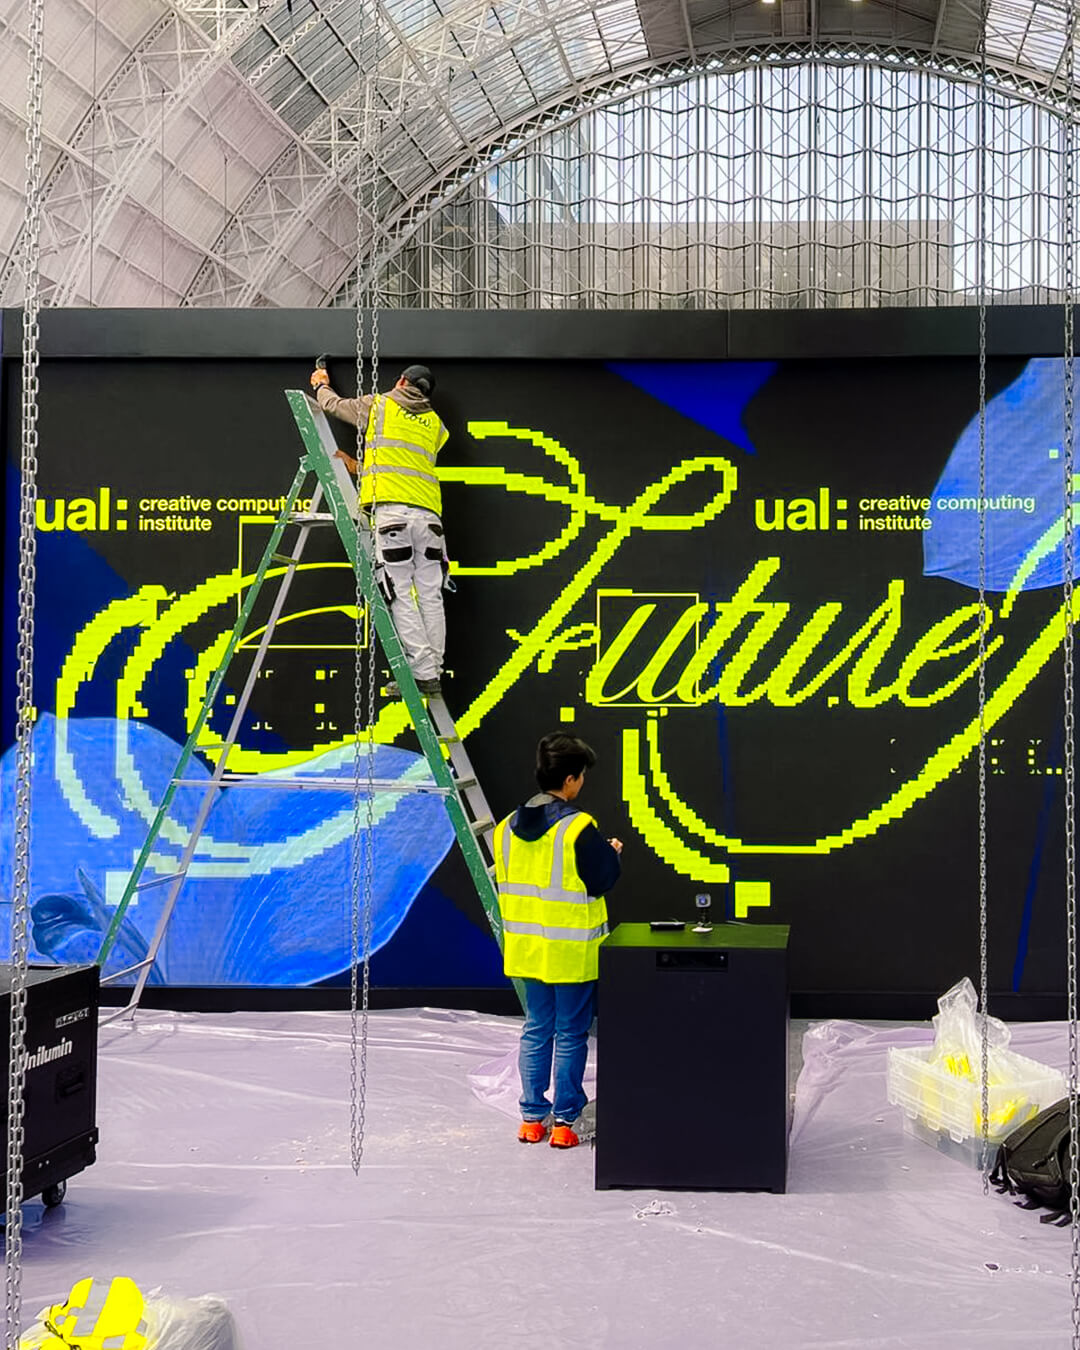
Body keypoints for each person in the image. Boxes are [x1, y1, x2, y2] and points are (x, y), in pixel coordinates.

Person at [493, 733, 622, 1149]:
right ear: (569, 780)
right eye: (580, 777)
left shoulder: (503, 829)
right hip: (570, 952)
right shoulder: (578, 827)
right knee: (570, 1034)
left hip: (528, 949)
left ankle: (532, 1118)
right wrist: (612, 853)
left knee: (536, 1030)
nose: (581, 784)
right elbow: (601, 880)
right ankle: (565, 1123)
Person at [309, 359, 450, 697]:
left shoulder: (380, 404)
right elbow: (405, 462)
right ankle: (434, 669)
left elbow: (333, 406)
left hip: (393, 518)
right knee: (430, 595)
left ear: (401, 381)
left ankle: (422, 672)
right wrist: (360, 467)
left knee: (398, 592)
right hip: (430, 520)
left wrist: (320, 383)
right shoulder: (436, 426)